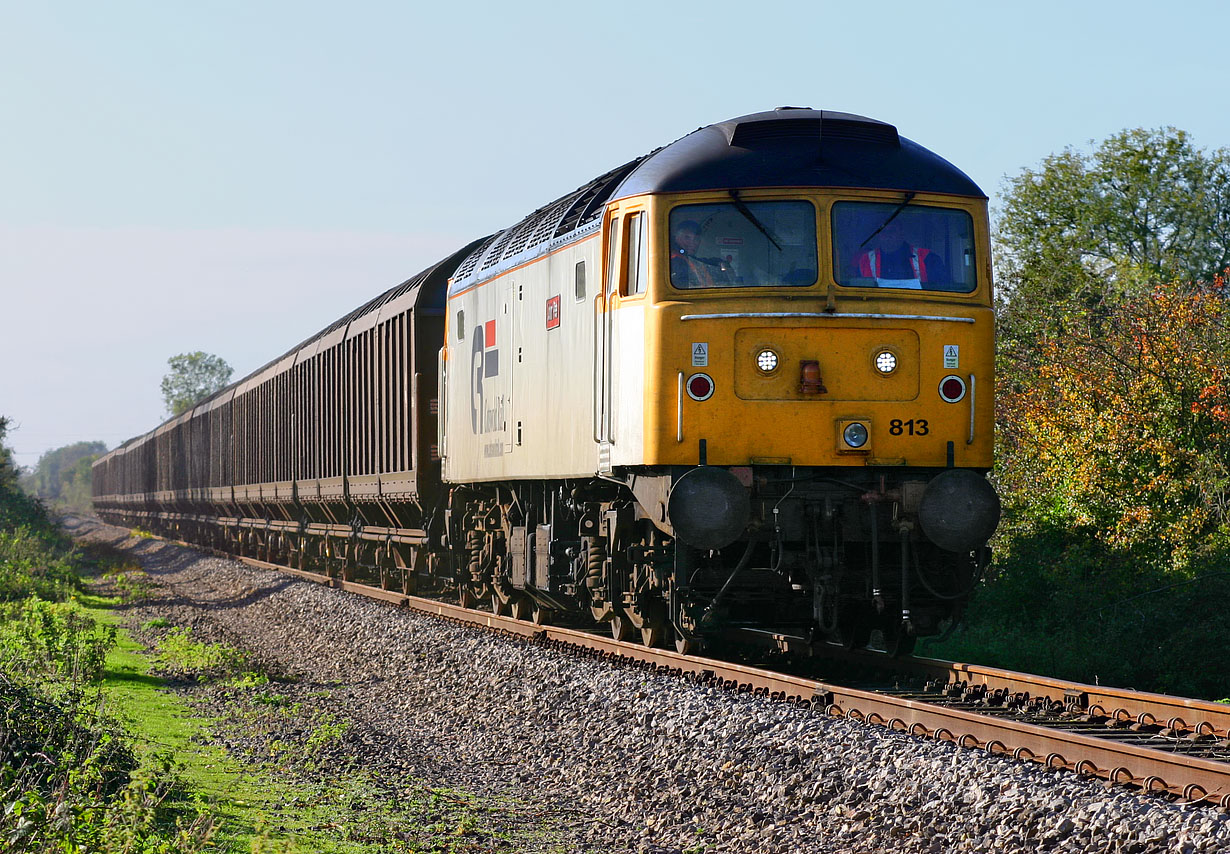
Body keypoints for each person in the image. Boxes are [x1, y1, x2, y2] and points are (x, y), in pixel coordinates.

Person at [853, 219, 947, 288]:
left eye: (892, 231)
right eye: (883, 232)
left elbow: (942, 289)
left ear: (902, 233)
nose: (887, 235)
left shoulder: (927, 258)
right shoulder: (865, 260)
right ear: (878, 236)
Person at [670, 220, 733, 288]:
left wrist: (717, 262)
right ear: (677, 237)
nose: (692, 243)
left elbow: (699, 261)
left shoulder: (688, 259)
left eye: (696, 239)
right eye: (687, 237)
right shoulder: (675, 260)